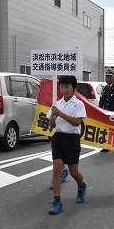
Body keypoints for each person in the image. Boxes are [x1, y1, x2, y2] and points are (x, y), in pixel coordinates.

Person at [47, 75, 87, 214]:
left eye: (67, 86)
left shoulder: (79, 104)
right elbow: (51, 126)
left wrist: (60, 113)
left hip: (72, 139)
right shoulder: (56, 103)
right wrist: (52, 119)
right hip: (58, 137)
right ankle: (57, 201)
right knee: (57, 169)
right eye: (61, 86)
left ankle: (81, 186)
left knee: (73, 171)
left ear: (73, 88)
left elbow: (77, 122)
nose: (64, 89)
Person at [99, 68, 114, 152]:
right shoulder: (104, 88)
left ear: (113, 78)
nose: (108, 79)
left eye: (110, 77)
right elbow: (101, 100)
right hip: (105, 113)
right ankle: (105, 146)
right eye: (107, 77)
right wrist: (99, 110)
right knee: (105, 129)